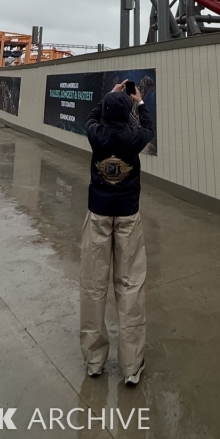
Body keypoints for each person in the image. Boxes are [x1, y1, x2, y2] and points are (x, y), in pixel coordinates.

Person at [79, 81, 154, 386]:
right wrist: (139, 102)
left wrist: (107, 96)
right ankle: (132, 365)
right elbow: (149, 127)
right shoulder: (134, 137)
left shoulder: (96, 135)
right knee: (130, 286)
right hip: (127, 216)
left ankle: (95, 360)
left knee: (93, 285)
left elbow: (90, 119)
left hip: (98, 214)